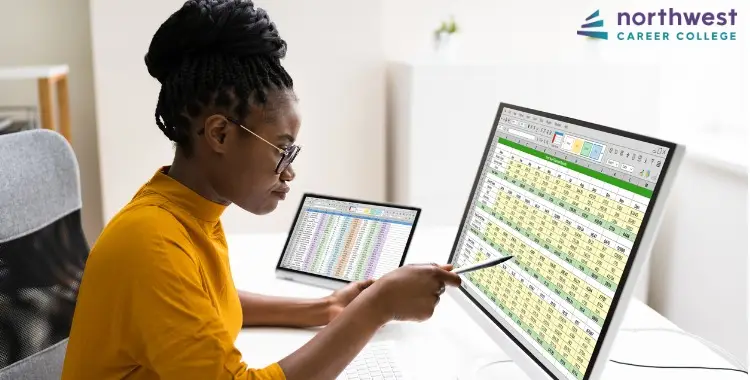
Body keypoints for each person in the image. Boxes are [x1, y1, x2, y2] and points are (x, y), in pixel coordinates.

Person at [61, 1, 461, 379]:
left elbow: (205, 303)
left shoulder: (186, 212)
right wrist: (378, 306)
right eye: (282, 150)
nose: (289, 172)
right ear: (219, 133)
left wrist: (325, 307)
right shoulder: (151, 243)